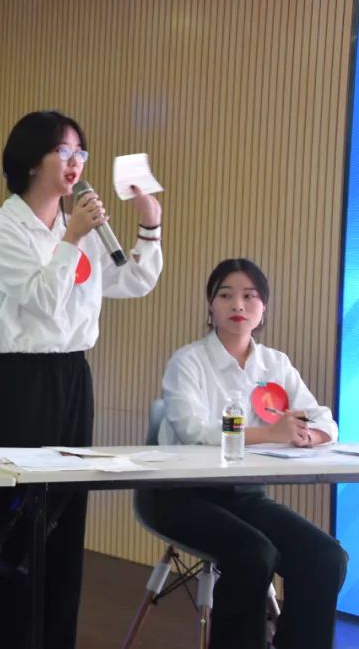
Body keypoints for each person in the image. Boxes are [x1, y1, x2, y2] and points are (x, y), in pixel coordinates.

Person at [0, 110, 163, 647]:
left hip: (73, 378)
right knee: (15, 524)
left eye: (81, 152)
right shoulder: (4, 227)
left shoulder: (75, 225)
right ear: (32, 160)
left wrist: (149, 223)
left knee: (64, 518)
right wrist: (74, 236)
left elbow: (133, 280)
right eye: (63, 150)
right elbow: (40, 300)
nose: (75, 161)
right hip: (21, 383)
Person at [149, 258, 347, 649]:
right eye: (225, 295)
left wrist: (307, 434)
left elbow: (324, 419)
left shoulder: (275, 363)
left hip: (245, 496)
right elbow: (192, 429)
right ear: (211, 305)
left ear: (263, 307)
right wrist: (269, 433)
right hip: (179, 495)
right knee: (254, 554)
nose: (238, 305)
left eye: (249, 296)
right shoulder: (188, 361)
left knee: (326, 556)